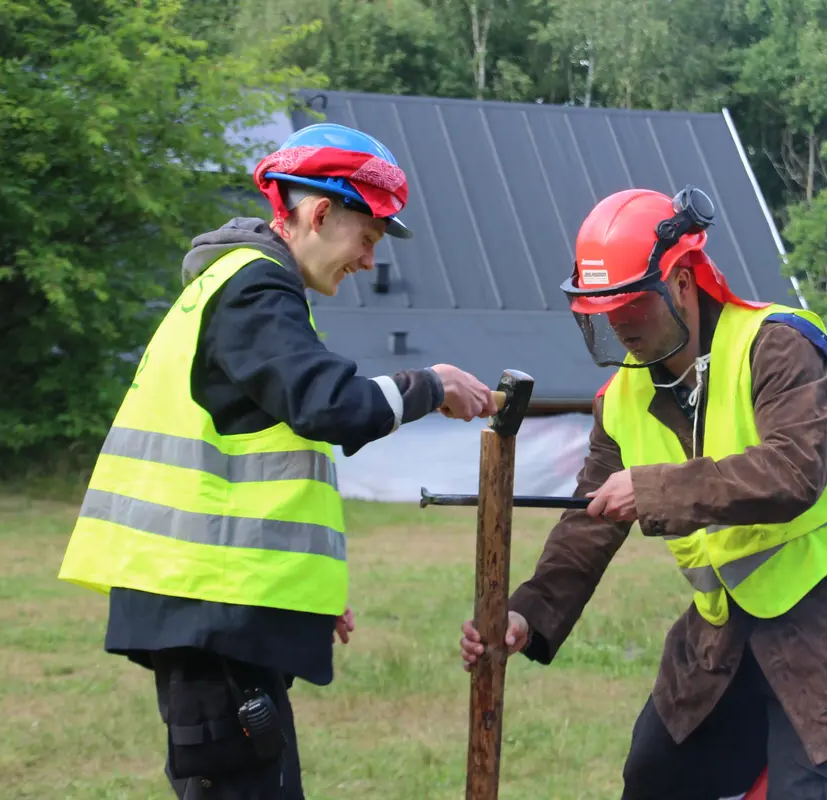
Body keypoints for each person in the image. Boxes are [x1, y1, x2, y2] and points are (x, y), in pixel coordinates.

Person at [459, 186, 827, 800]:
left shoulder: (781, 347)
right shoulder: (621, 401)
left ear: (685, 282)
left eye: (633, 304)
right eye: (602, 310)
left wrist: (656, 489)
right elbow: (588, 523)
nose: (618, 323)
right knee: (655, 779)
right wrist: (525, 616)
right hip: (729, 640)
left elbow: (792, 471)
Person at [58, 122, 498, 799]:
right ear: (319, 213)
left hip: (220, 610)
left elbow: (260, 466)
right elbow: (330, 404)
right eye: (367, 238)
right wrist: (431, 385)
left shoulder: (245, 291)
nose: (368, 262)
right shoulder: (255, 291)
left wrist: (300, 600)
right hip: (209, 613)